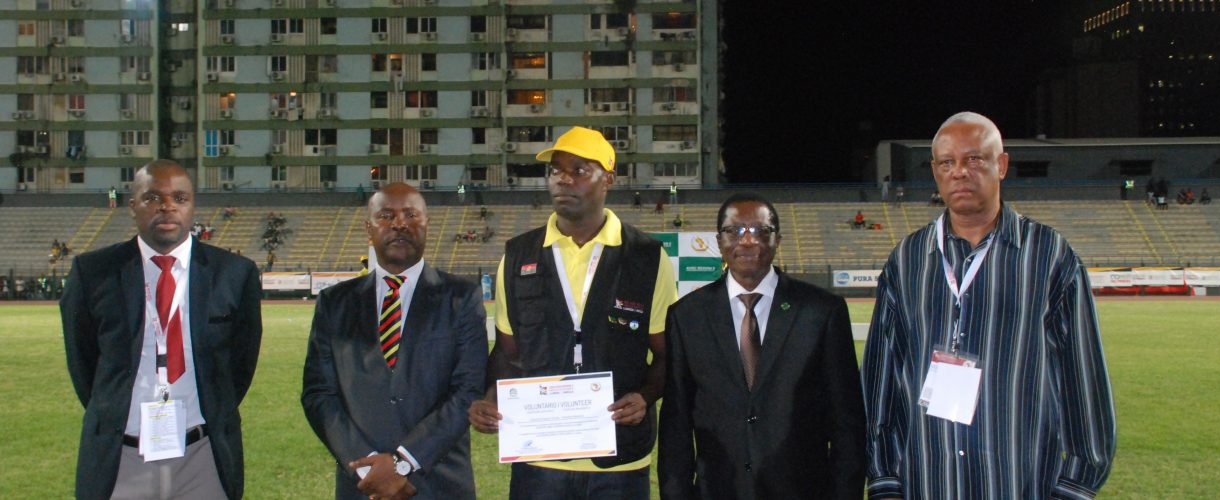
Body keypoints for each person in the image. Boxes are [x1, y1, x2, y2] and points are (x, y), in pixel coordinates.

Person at [862, 112, 1115, 499]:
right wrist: (884, 479)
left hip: (1019, 484)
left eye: (974, 159)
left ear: (1002, 165)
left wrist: (1075, 486)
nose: (959, 172)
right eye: (947, 162)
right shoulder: (907, 259)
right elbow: (881, 376)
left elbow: (1083, 378)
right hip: (928, 483)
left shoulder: (1049, 255)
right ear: (935, 171)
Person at [468, 126, 677, 499]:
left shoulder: (647, 258)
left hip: (620, 461)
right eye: (555, 171)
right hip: (539, 460)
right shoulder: (517, 255)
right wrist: (490, 397)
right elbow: (507, 352)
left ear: (608, 179)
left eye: (579, 170)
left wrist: (646, 396)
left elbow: (667, 354)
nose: (563, 179)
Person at [60, 159, 263, 499]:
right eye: (153, 198)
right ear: (133, 206)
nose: (167, 206)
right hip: (121, 457)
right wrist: (113, 410)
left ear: (192, 205)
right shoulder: (93, 272)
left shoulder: (234, 273)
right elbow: (83, 364)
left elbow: (240, 365)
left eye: (179, 198)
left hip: (203, 454)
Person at [659, 193, 866, 499]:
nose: (747, 241)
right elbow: (675, 425)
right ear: (719, 241)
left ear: (777, 239)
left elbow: (847, 422)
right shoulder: (686, 316)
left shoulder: (822, 312)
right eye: (734, 231)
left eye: (760, 230)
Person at [302, 182, 487, 499]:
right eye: (386, 215)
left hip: (439, 483)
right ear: (369, 228)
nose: (399, 223)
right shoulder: (335, 303)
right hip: (363, 484)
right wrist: (367, 467)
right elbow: (318, 394)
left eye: (410, 214)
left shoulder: (461, 297)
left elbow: (468, 389)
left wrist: (404, 462)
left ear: (427, 223)